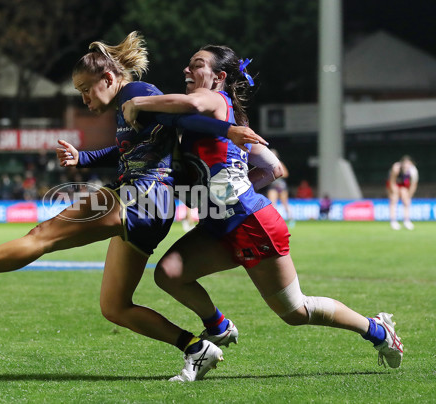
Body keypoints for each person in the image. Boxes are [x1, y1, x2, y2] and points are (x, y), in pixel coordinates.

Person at [0, 32, 267, 380]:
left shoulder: (136, 93)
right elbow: (129, 147)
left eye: (86, 88)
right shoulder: (129, 103)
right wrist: (83, 156)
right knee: (115, 307)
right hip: (152, 206)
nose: (84, 98)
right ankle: (197, 348)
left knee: (42, 235)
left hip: (142, 197)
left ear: (109, 78)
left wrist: (226, 130)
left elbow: (183, 120)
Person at [122, 44, 403, 380]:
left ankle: (377, 330)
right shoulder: (214, 122)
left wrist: (137, 102)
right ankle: (219, 327)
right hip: (219, 224)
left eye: (196, 65)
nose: (186, 70)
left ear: (219, 77)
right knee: (168, 274)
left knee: (295, 311)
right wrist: (226, 189)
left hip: (250, 223)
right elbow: (273, 168)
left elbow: (196, 103)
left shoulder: (215, 100)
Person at [387, 155, 418, 230]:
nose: (406, 166)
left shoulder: (413, 171)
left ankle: (406, 221)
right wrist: (393, 190)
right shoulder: (396, 168)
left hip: (404, 184)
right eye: (405, 164)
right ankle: (393, 221)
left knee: (406, 201)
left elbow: (413, 185)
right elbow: (391, 180)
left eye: (408, 164)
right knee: (394, 200)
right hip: (394, 183)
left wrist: (409, 195)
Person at [265, 148, 294, 225]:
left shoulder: (279, 163)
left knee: (284, 203)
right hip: (273, 186)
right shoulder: (266, 164)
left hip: (281, 186)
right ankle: (274, 221)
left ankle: (291, 219)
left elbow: (286, 174)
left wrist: (277, 174)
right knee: (272, 204)